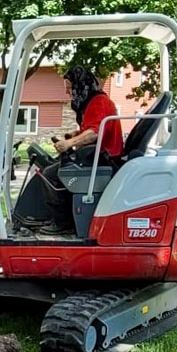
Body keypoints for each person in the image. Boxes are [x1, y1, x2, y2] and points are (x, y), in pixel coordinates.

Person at [38, 66, 124, 235]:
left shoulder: (98, 102)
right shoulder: (93, 102)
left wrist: (69, 144)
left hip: (103, 158)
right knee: (56, 166)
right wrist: (74, 135)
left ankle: (62, 223)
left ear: (80, 86)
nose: (68, 93)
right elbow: (92, 129)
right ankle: (66, 217)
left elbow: (93, 134)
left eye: (70, 89)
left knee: (49, 175)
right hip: (97, 155)